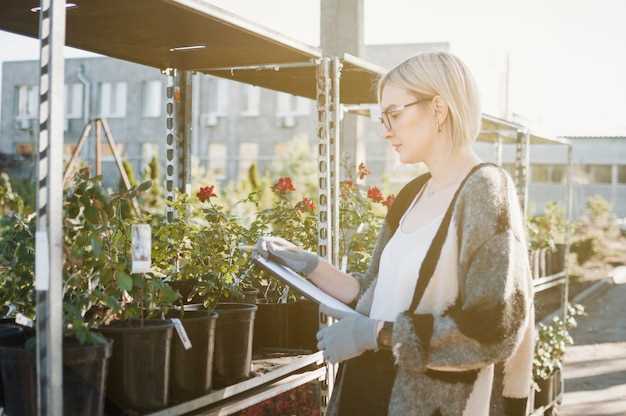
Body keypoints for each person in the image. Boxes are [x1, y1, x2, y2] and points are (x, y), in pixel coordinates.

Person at [255, 51, 534, 416]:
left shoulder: (484, 190)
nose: (386, 130)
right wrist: (309, 266)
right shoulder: (412, 195)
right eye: (382, 118)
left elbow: (492, 329)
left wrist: (375, 335)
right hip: (370, 396)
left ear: (438, 109)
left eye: (395, 114)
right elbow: (373, 293)